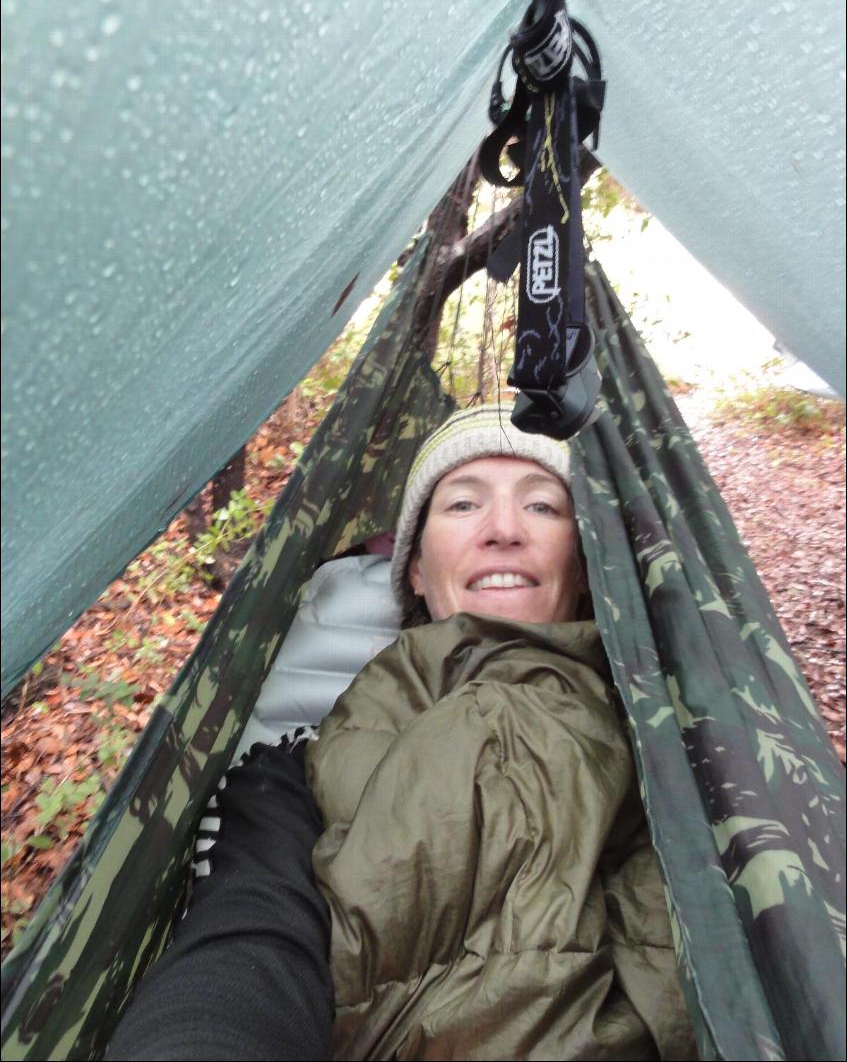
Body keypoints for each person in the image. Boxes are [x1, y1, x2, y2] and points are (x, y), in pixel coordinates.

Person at [107, 404, 696, 1061]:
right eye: (463, 505)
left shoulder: (680, 749)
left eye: (543, 507)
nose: (503, 529)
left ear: (586, 568)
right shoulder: (289, 774)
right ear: (415, 569)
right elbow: (247, 945)